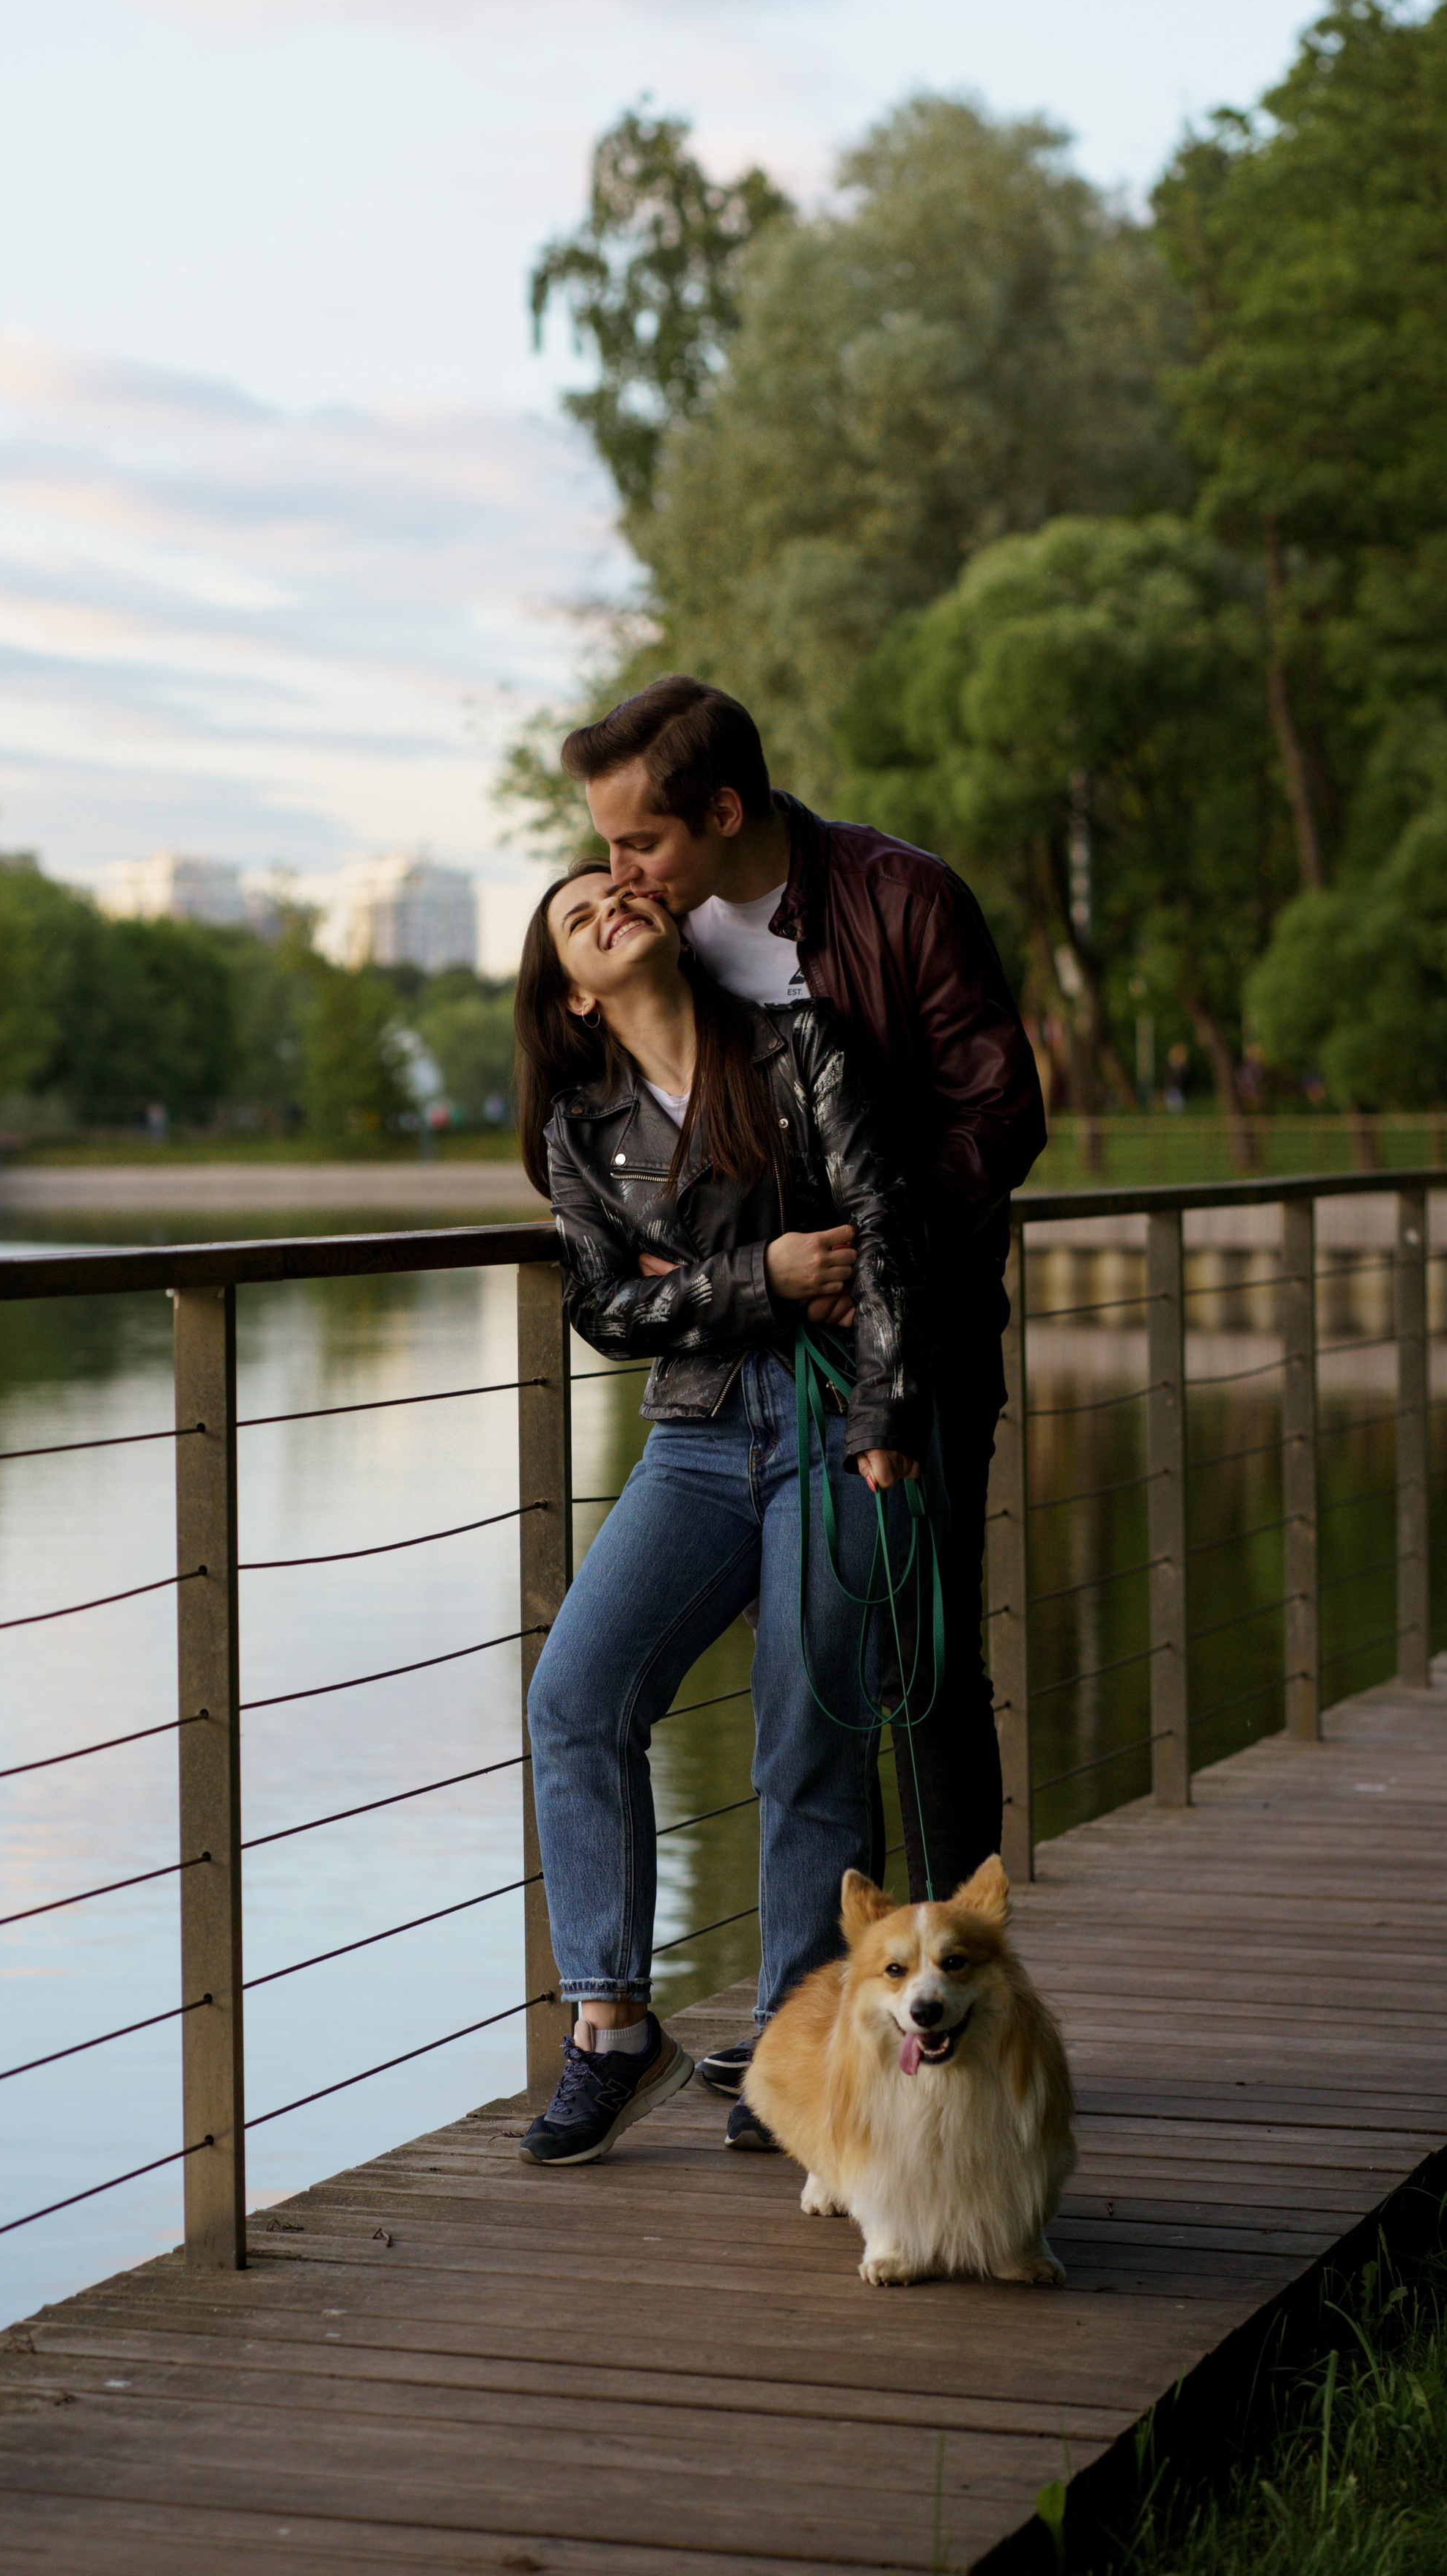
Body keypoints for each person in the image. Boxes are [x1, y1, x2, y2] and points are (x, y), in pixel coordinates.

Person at [556, 674, 1046, 2111]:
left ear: (720, 812)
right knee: (759, 1705)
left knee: (917, 1674)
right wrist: (750, 1272)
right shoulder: (646, 931)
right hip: (728, 1376)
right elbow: (599, 1138)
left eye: (637, 841)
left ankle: (966, 2018)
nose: (613, 872)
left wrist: (872, 1257)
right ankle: (808, 2023)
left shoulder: (898, 900)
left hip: (911, 1351)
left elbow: (995, 1110)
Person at [512, 866, 932, 2166]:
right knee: (577, 1699)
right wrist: (761, 1273)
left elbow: (884, 1231)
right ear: (577, 993)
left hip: (830, 1429)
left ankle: (795, 2039)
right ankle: (612, 2031)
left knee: (807, 1732)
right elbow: (602, 1309)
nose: (610, 907)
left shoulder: (797, 1049)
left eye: (619, 891)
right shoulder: (578, 1131)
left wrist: (882, 1421)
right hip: (697, 1432)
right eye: (579, 919)